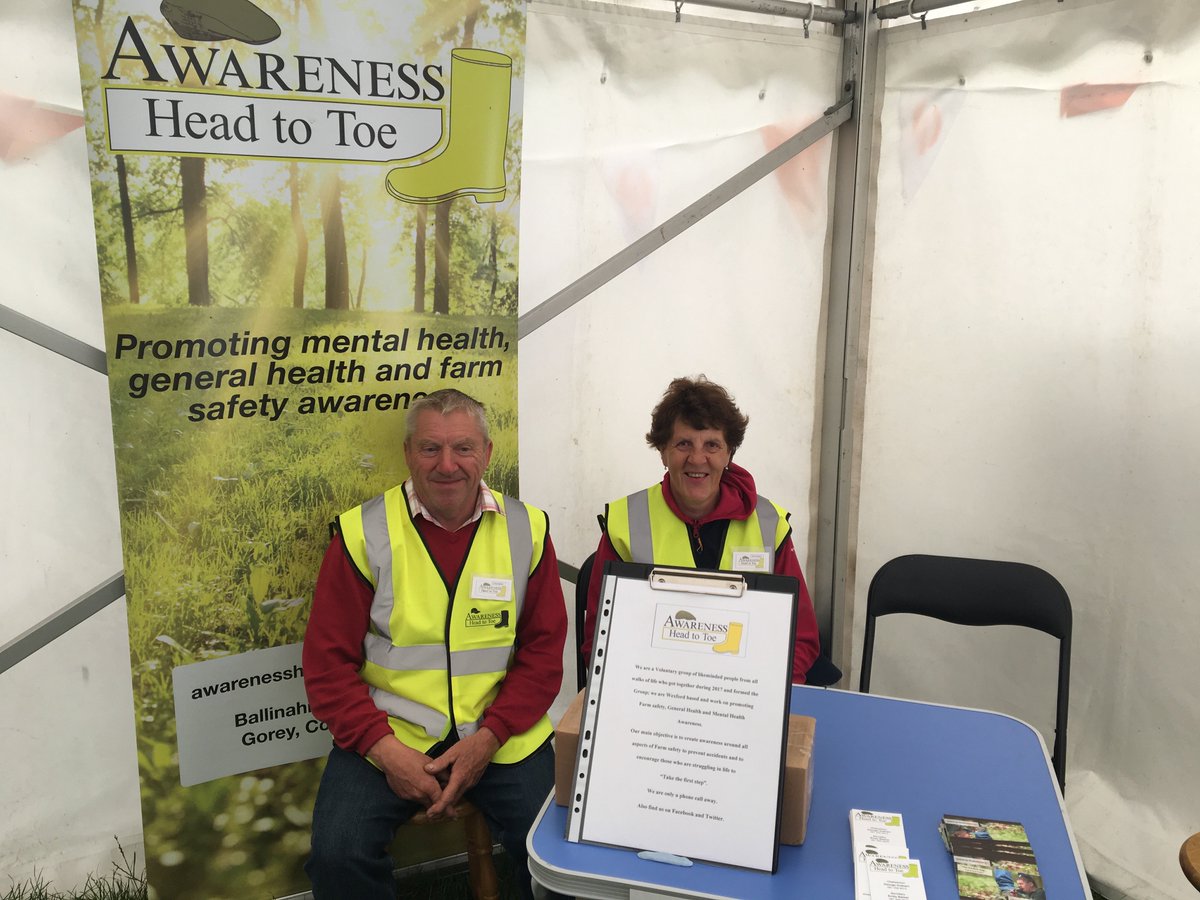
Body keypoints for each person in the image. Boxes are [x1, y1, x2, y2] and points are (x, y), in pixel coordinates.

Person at [302, 388, 567, 900]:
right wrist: (385, 751)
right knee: (338, 856)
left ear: (487, 453)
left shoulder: (526, 529)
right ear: (408, 453)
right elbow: (326, 666)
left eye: (463, 448)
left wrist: (488, 739)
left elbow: (542, 653)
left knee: (562, 857)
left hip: (502, 735)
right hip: (390, 734)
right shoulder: (362, 532)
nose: (447, 465)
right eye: (430, 448)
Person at [582, 376, 820, 682]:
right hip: (653, 690)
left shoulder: (769, 524)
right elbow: (601, 640)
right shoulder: (625, 523)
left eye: (712, 445)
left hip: (741, 691)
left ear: (729, 453)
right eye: (683, 444)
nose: (697, 459)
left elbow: (800, 637)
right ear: (663, 452)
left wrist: (767, 694)